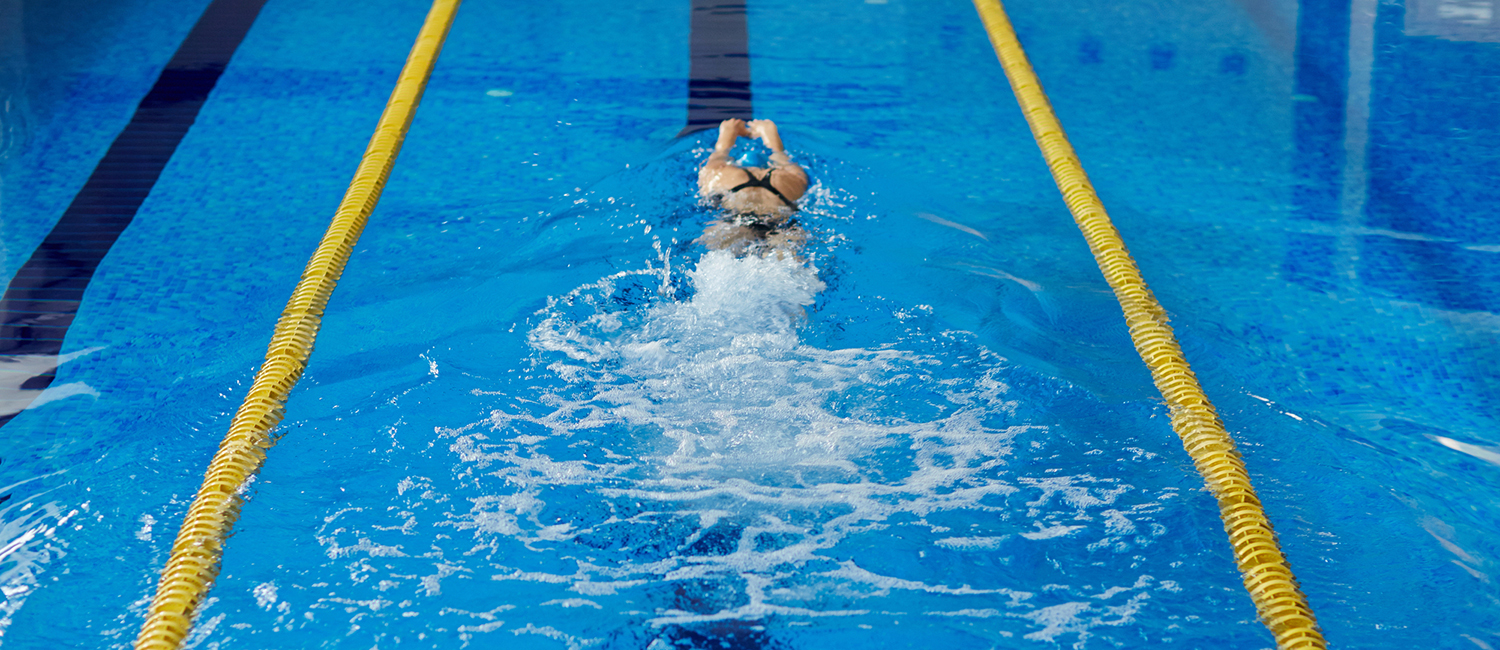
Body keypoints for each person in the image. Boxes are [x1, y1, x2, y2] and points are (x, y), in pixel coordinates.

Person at [696, 118, 809, 257]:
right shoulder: (787, 178)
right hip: (782, 224)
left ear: (740, 164)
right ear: (769, 166)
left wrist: (727, 134)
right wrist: (772, 140)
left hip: (735, 222)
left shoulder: (722, 173)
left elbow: (718, 155)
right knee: (789, 264)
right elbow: (783, 159)